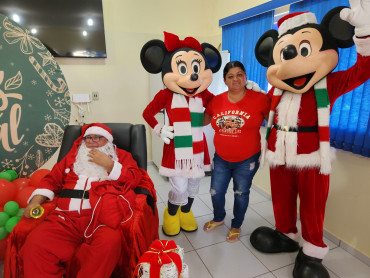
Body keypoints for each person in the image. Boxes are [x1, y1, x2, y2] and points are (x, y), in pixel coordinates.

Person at [21, 123, 142, 278]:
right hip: (65, 218)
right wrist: (35, 202)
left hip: (100, 219)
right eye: (88, 138)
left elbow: (135, 179)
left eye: (98, 138)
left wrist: (110, 165)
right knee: (36, 243)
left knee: (110, 243)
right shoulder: (73, 158)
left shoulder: (121, 156)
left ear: (108, 141)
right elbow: (51, 180)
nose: (92, 141)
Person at [203, 61, 270, 242]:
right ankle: (219, 218)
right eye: (230, 76)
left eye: (239, 74)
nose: (236, 79)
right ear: (225, 80)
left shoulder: (260, 100)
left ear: (246, 76)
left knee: (241, 193)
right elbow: (204, 119)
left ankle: (236, 225)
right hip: (222, 159)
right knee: (215, 191)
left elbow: (273, 120)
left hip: (247, 159)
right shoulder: (216, 101)